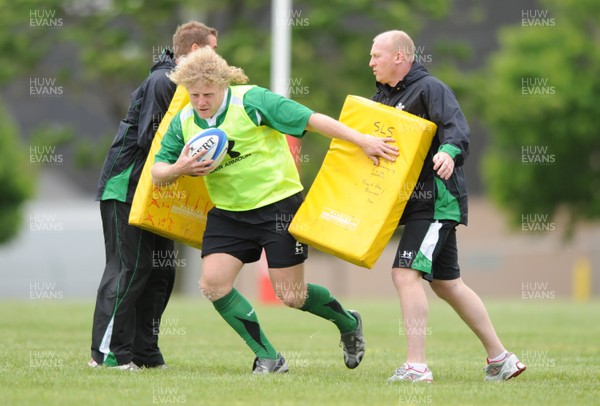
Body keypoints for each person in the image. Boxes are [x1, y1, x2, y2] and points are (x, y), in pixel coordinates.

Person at [151, 46, 398, 373]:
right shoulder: (184, 120)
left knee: (292, 295)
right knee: (213, 284)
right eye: (194, 94)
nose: (200, 102)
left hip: (277, 207)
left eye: (207, 94)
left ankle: (348, 322)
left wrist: (362, 140)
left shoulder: (252, 101)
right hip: (228, 213)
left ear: (224, 84)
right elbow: (158, 171)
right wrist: (178, 168)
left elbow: (313, 120)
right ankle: (268, 356)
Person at [368, 30, 527, 382]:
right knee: (447, 284)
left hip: (437, 202)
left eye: (376, 55)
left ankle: (416, 366)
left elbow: (458, 130)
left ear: (399, 57)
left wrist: (448, 152)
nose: (371, 61)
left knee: (404, 274)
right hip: (415, 205)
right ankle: (501, 359)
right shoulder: (380, 99)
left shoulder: (430, 89)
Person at [90, 22, 218, 370]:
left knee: (161, 273)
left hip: (157, 193)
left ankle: (144, 353)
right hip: (126, 188)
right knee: (130, 268)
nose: (217, 58)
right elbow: (153, 141)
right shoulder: (164, 81)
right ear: (194, 51)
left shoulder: (185, 87)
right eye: (213, 50)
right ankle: (107, 356)